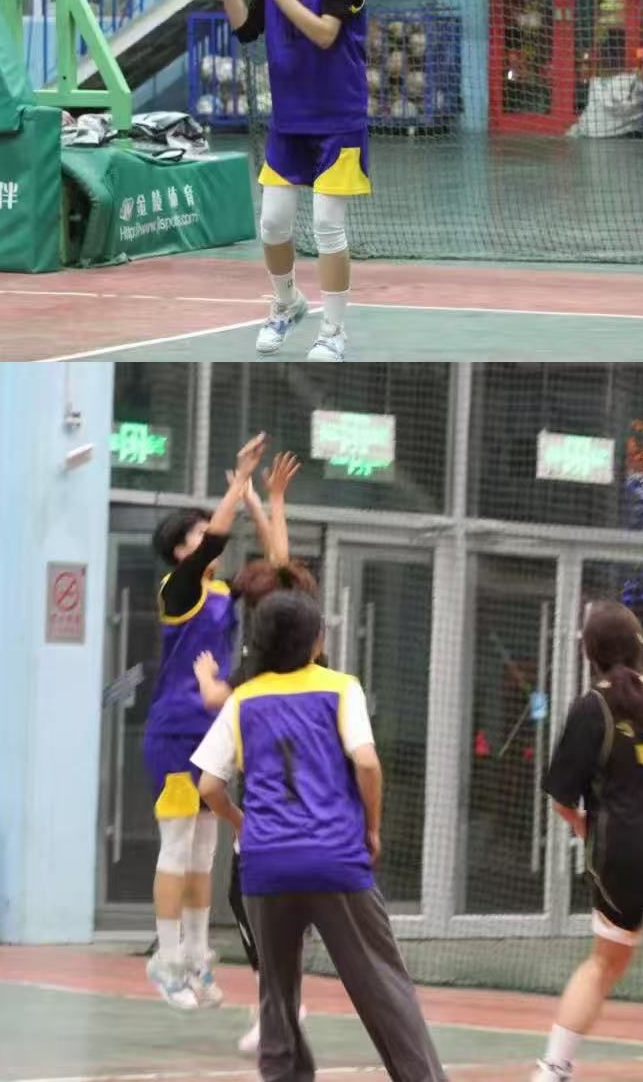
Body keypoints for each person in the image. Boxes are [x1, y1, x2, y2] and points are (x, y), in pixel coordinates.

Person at [194, 588, 446, 1082]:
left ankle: (284, 1074)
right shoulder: (340, 687)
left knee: (277, 992)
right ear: (316, 641)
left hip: (265, 865)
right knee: (382, 984)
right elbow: (367, 762)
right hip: (334, 857)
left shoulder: (243, 699)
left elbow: (208, 786)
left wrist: (243, 823)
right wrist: (371, 827)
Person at [219, 0, 369, 364]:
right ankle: (286, 302)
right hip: (289, 117)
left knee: (328, 225)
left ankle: (334, 332)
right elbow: (248, 30)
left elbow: (325, 33)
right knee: (272, 224)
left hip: (337, 114)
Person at [532, 603, 643, 1082]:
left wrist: (587, 828)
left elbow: (561, 799)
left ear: (590, 654)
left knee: (602, 965)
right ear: (641, 645)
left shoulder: (591, 708)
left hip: (621, 855)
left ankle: (554, 1068)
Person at [143, 431, 268, 1011]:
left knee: (204, 853)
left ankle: (196, 956)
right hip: (174, 733)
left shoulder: (219, 591)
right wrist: (238, 479)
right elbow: (216, 535)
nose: (210, 538)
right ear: (180, 551)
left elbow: (273, 567)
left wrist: (257, 501)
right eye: (196, 534)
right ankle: (165, 961)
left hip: (214, 732)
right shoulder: (179, 589)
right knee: (176, 846)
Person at [194, 452, 313, 1055]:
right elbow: (282, 563)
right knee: (280, 910)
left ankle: (280, 1009)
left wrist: (207, 682)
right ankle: (283, 1006)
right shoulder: (311, 657)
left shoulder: (260, 673)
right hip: (316, 807)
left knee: (251, 902)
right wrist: (265, 501)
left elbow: (218, 701)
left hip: (271, 809)